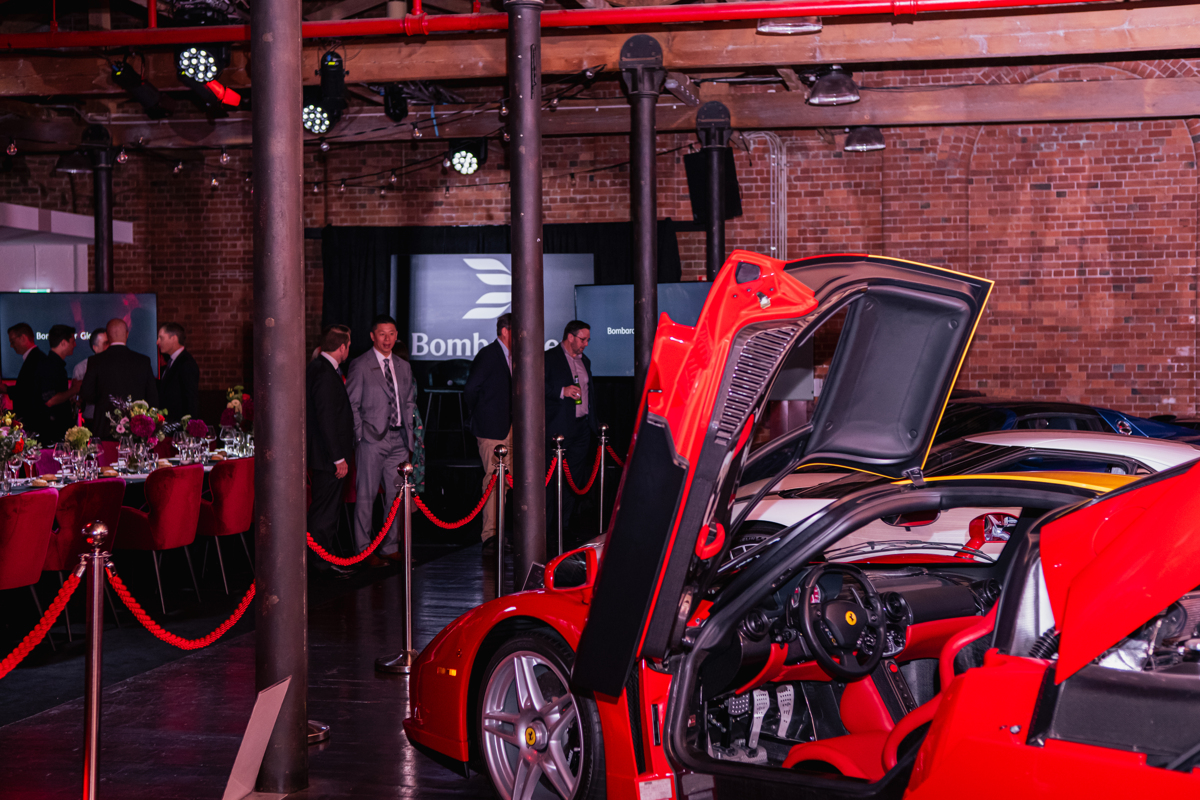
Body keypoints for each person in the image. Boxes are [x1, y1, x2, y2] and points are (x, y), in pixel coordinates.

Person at [346, 315, 417, 568]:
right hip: (371, 440)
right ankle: (363, 550)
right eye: (382, 334)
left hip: (399, 439)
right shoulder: (360, 364)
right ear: (372, 336)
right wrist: (360, 435)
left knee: (395, 498)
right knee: (366, 497)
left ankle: (389, 547)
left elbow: (408, 401)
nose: (387, 339)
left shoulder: (403, 366)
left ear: (397, 335)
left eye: (392, 334)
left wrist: (409, 434)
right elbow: (351, 404)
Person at [307, 325, 355, 576]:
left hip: (324, 456)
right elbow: (326, 419)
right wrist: (338, 458)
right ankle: (320, 562)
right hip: (328, 458)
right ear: (342, 347)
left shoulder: (319, 368)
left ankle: (322, 559)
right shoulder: (325, 373)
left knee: (325, 509)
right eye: (348, 346)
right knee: (324, 512)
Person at [544, 319, 596, 546]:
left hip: (581, 427)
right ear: (570, 337)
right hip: (558, 429)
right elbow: (535, 385)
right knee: (552, 480)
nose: (586, 344)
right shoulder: (548, 358)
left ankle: (564, 526)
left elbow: (590, 392)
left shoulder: (585, 361)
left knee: (573, 480)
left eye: (588, 340)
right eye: (583, 339)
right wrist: (561, 391)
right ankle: (547, 529)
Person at [464, 313, 513, 552]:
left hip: (513, 428)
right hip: (492, 429)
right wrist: (481, 415)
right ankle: (491, 536)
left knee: (508, 483)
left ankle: (501, 533)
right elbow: (470, 390)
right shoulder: (488, 354)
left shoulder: (515, 356)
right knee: (494, 482)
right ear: (505, 331)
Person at [79, 318, 158, 439]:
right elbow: (152, 398)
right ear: (127, 334)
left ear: (107, 336)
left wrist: (103, 399)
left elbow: (86, 394)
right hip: (135, 428)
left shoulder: (95, 361)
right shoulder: (143, 361)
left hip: (104, 427)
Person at [6, 322, 49, 435]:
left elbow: (28, 391)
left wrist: (6, 389)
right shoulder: (34, 357)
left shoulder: (35, 359)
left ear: (23, 338)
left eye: (12, 341)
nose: (11, 346)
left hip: (34, 424)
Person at [37, 324, 76, 442]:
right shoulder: (51, 366)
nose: (75, 345)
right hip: (54, 432)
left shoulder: (52, 364)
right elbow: (50, 400)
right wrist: (74, 390)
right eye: (72, 341)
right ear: (63, 343)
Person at [156, 322, 200, 422]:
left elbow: (191, 401)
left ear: (174, 339)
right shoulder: (172, 361)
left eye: (161, 338)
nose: (157, 342)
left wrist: (189, 427)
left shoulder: (186, 364)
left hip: (178, 427)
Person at [73, 327, 108, 424]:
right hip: (90, 418)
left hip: (113, 419)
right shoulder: (81, 367)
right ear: (95, 347)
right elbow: (76, 399)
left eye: (110, 343)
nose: (109, 346)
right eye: (105, 343)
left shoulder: (117, 365)